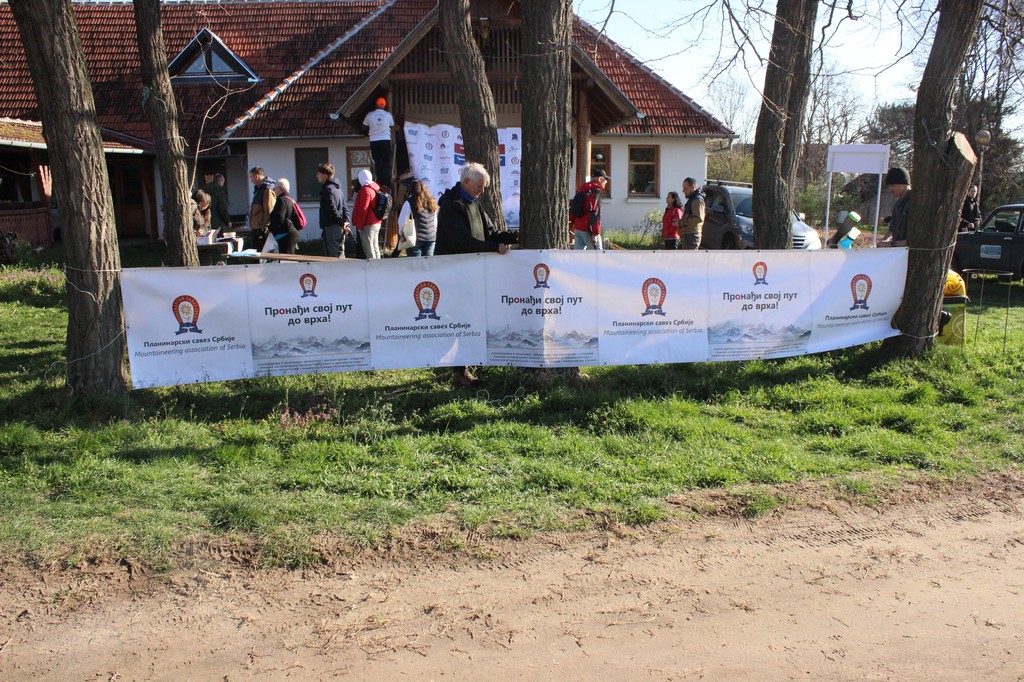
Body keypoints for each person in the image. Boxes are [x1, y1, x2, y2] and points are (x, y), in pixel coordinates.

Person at [436, 161, 517, 386]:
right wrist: (494, 248)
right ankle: (459, 371)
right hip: (454, 273)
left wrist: (514, 236)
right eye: (479, 186)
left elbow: (489, 232)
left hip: (472, 272)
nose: (482, 191)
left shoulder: (474, 203)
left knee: (474, 318)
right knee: (461, 320)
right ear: (466, 181)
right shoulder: (451, 206)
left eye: (484, 187)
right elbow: (462, 242)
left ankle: (470, 360)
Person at [315, 163, 350, 259]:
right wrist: (346, 222)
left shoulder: (327, 189)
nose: (317, 176)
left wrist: (342, 223)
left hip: (331, 226)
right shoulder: (338, 189)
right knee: (341, 254)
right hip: (340, 227)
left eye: (318, 174)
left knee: (332, 258)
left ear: (325, 175)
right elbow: (344, 208)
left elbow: (332, 209)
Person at [397, 178, 438, 257]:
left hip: (415, 239)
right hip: (431, 238)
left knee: (416, 263)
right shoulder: (431, 202)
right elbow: (435, 222)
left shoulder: (409, 202)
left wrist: (401, 233)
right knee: (428, 263)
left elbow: (402, 221)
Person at [571, 169, 608, 251]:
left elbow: (574, 207)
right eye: (605, 179)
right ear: (600, 179)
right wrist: (595, 233)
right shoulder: (596, 191)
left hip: (578, 227)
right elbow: (594, 212)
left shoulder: (582, 189)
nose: (606, 182)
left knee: (578, 256)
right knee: (597, 255)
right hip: (588, 229)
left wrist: (574, 222)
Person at [363, 97, 395, 189]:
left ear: (376, 104)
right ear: (384, 105)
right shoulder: (388, 115)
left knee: (377, 162)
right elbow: (392, 126)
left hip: (374, 140)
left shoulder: (370, 115)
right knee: (386, 162)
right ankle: (386, 183)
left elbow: (364, 127)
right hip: (385, 140)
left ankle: (379, 182)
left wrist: (372, 128)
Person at [351, 168, 383, 259]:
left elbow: (363, 209)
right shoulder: (375, 188)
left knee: (368, 247)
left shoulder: (365, 190)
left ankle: (373, 266)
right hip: (376, 221)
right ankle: (378, 265)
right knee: (375, 246)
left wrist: (359, 226)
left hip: (368, 223)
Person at [881, 166, 911, 247]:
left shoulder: (914, 203)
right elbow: (891, 229)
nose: (890, 189)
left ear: (904, 184)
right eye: (889, 186)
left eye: (893, 185)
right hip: (899, 252)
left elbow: (913, 241)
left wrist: (891, 244)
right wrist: (883, 242)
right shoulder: (896, 205)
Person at [269, 178, 300, 255]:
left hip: (285, 234)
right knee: (289, 258)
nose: (273, 190)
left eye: (274, 188)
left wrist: (271, 228)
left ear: (279, 188)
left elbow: (279, 218)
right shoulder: (289, 199)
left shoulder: (281, 200)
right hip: (291, 232)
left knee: (285, 259)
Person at [248, 166, 276, 250]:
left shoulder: (267, 190)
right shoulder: (259, 189)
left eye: (251, 177)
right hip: (256, 228)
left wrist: (265, 228)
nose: (251, 180)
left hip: (261, 229)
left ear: (256, 176)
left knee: (262, 253)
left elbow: (269, 210)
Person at [677, 177, 705, 250]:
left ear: (692, 187)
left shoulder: (697, 200)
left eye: (685, 188)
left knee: (689, 257)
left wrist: (681, 222)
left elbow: (698, 219)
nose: (683, 190)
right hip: (688, 234)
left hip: (692, 235)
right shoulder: (692, 199)